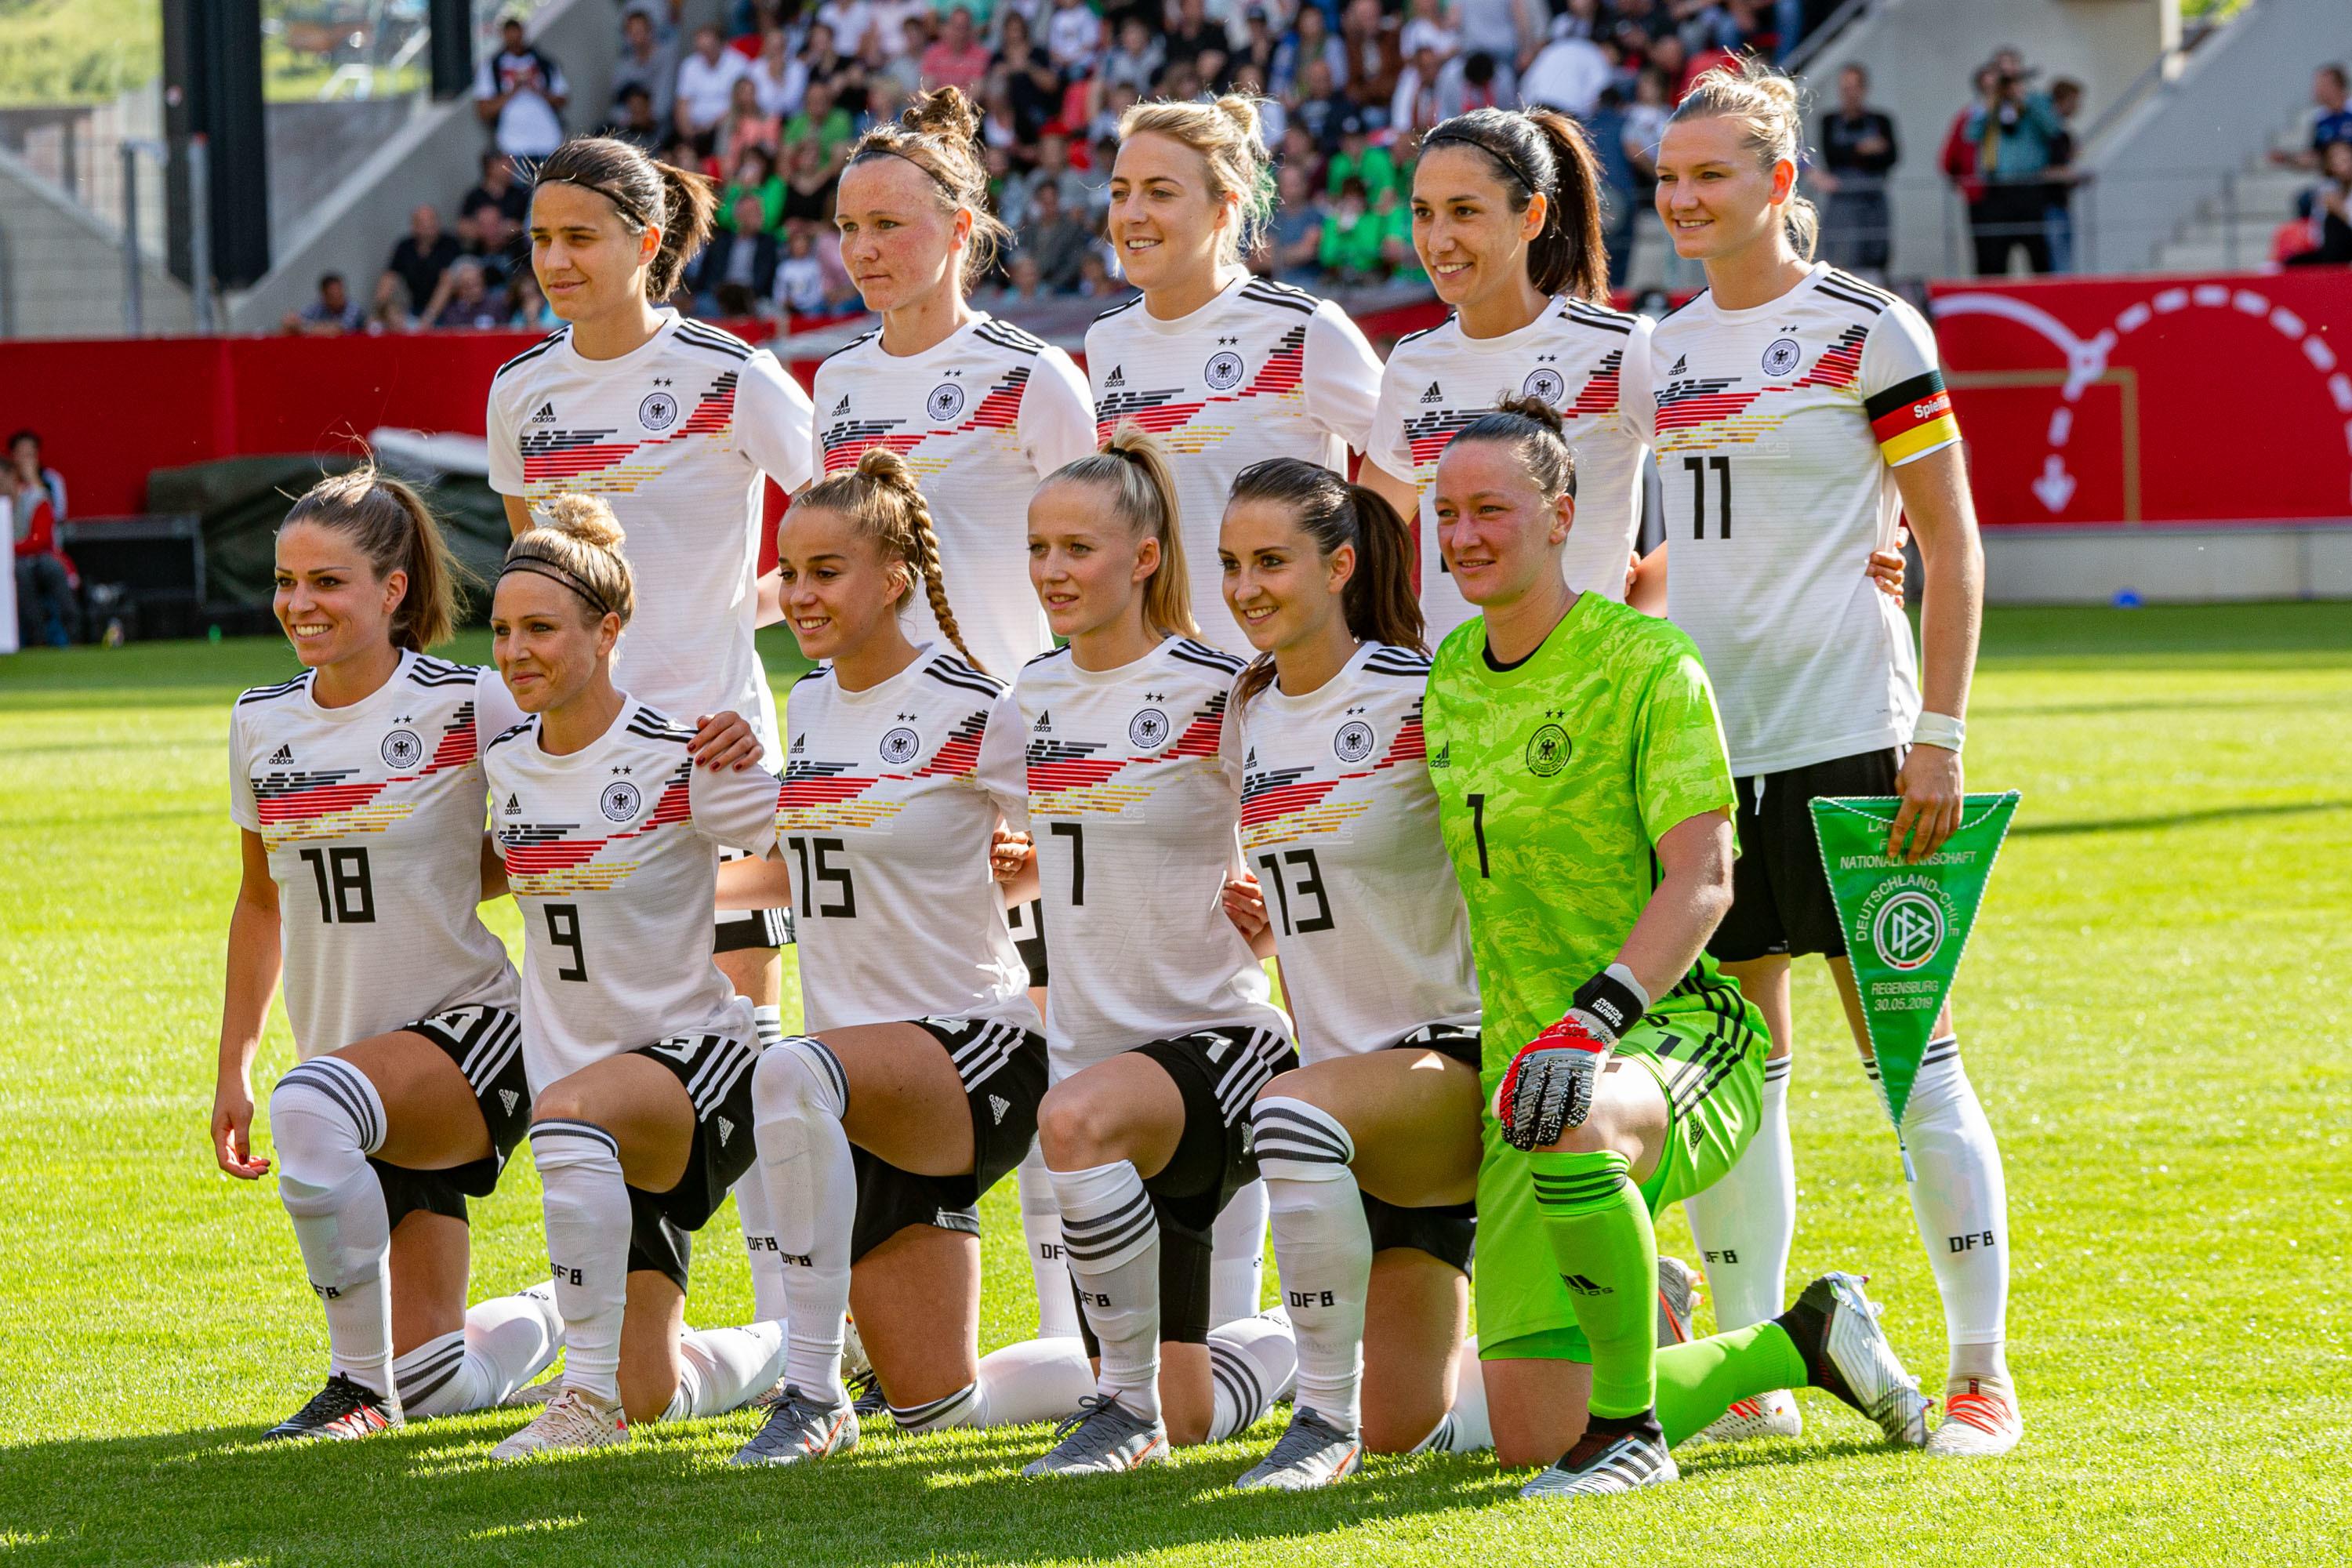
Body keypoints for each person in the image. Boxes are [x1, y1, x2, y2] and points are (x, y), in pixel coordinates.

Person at [1421, 396, 1933, 1497]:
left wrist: (1591, 1020)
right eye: (1447, 512)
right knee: (1528, 1435)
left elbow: (1707, 876)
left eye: (1491, 509)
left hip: (1670, 1034)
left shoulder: (1648, 662)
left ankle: (1630, 1438)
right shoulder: (1450, 671)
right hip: (1523, 1072)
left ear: (1563, 515)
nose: (1463, 535)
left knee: (1572, 1115)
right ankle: (1804, 1339)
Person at [1642, 60, 2017, 1458]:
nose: (1685, 199)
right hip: (1706, 761)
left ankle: (1981, 1375)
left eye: (1712, 175)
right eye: (1670, 179)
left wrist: (1939, 737)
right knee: (1741, 1068)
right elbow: (1670, 555)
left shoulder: (1868, 328)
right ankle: (1753, 1374)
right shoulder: (1661, 350)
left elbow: (1953, 545)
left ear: (1780, 182)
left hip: (1854, 739)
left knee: (1913, 1057)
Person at [486, 135, 816, 1329]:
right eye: (541, 239)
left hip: (715, 758)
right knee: (604, 1029)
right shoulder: (521, 392)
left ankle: (790, 1324)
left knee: (744, 1027)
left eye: (581, 236)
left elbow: (846, 530)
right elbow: (543, 575)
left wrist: (754, 611)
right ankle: (623, 1308)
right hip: (580, 765)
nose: (556, 260)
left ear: (649, 240)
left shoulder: (733, 373)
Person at [717, 452, 1099, 1462]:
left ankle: (810, 1391)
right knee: (939, 1404)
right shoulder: (810, 701)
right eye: (790, 572)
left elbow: (1086, 839)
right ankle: (1201, 1362)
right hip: (858, 1088)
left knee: (783, 1067)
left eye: (826, 571)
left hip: (975, 1048)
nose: (799, 594)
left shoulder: (974, 707)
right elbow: (821, 865)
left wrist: (1030, 869)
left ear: (893, 579)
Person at [216, 470, 590, 1439]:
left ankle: (354, 1389)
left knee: (313, 1103)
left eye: (327, 581)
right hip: (351, 1056)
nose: (299, 603)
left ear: (392, 590)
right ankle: (571, 1308)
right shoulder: (260, 718)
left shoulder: (470, 701)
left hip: (471, 1036)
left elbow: (568, 809)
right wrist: (234, 1067)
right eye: (286, 579)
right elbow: (262, 900)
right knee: (433, 1378)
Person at [1013, 428, 1301, 1476]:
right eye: (1039, 547)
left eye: (1078, 548)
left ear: (1144, 558)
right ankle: (1309, 1346)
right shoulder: (1028, 696)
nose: (1052, 570)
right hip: (1091, 1055)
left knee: (1074, 1124)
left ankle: (1122, 1408)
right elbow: (967, 817)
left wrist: (1276, 908)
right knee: (1194, 1413)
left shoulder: (1222, 689)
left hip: (1214, 1046)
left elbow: (1316, 823)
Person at [481, 501, 793, 1456]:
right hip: (588, 1087)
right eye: (502, 629)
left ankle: (581, 1395)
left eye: (541, 628)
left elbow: (810, 859)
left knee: (568, 1115)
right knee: (652, 1392)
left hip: (695, 1067)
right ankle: (800, 1344)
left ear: (608, 631)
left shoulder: (685, 754)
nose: (515, 651)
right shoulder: (507, 764)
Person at [1210, 459, 1486, 1489]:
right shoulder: (1251, 709)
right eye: (1232, 564)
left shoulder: (1423, 696)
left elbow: (1499, 872)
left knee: (1282, 1109)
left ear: (1340, 567)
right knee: (1412, 1427)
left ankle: (1317, 1423)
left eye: (1271, 562)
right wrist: (1269, 929)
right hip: (1349, 1100)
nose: (1246, 588)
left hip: (1448, 1063)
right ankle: (1735, 1336)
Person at [1086, 96, 1385, 661]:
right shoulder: (1107, 340)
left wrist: (1347, 584)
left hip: (1284, 679)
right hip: (1158, 683)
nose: (1131, 213)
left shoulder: (1300, 327)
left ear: (1224, 208)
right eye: (1120, 193)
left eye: (1160, 192)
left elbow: (1405, 451)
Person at [1358, 107, 1651, 652]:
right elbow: (1365, 544)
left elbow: (1715, 503)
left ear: (1531, 216)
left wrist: (1639, 600)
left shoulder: (1618, 347)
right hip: (1451, 688)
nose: (1437, 240)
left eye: (1464, 211)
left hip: (1589, 685)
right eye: (1423, 213)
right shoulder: (1413, 362)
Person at [1814, 64, 1896, 278]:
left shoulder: (1881, 120)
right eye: (1845, 88)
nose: (1850, 94)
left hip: (1873, 200)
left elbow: (1891, 157)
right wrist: (1863, 148)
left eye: (1854, 88)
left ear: (1864, 89)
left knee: (1876, 255)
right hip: (1842, 202)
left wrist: (1851, 153)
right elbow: (1831, 156)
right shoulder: (1829, 121)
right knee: (1840, 258)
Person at [9, 431, 76, 649]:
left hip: (44, 552)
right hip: (17, 557)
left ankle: (73, 634)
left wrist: (34, 483)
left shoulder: (51, 481)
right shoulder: (6, 481)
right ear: (13, 456)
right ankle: (37, 638)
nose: (26, 460)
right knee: (20, 572)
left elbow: (56, 517)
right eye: (21, 454)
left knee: (52, 568)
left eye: (30, 455)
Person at [475, 14, 570, 162]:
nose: (514, 39)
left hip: (548, 142)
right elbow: (484, 111)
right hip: (511, 145)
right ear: (503, 35)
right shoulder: (492, 68)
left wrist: (536, 88)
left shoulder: (545, 64)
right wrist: (514, 89)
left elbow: (562, 99)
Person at [677, 25, 752, 153]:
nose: (706, 53)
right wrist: (688, 133)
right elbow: (682, 103)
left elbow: (741, 101)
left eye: (710, 48)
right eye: (701, 49)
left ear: (722, 44)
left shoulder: (738, 63)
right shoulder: (689, 66)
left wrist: (711, 126)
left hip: (726, 124)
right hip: (695, 130)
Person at [383, 207, 462, 321]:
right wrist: (378, 312)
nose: (428, 226)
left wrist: (428, 317)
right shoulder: (405, 246)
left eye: (432, 220)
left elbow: (447, 281)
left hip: (448, 308)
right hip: (416, 307)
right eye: (423, 223)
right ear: (414, 226)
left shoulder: (450, 244)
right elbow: (389, 278)